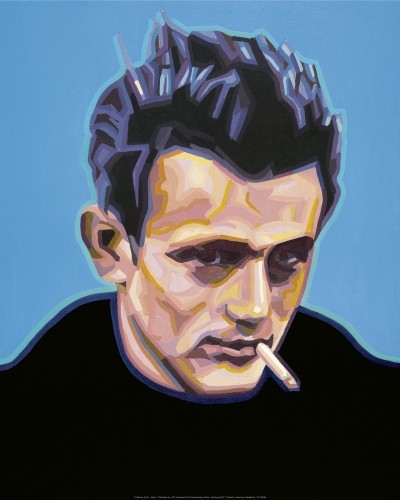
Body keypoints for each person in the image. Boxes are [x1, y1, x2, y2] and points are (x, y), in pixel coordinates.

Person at [1, 15, 399, 498]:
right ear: (110, 248)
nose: (255, 308)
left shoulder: (375, 426)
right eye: (212, 257)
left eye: (287, 260)